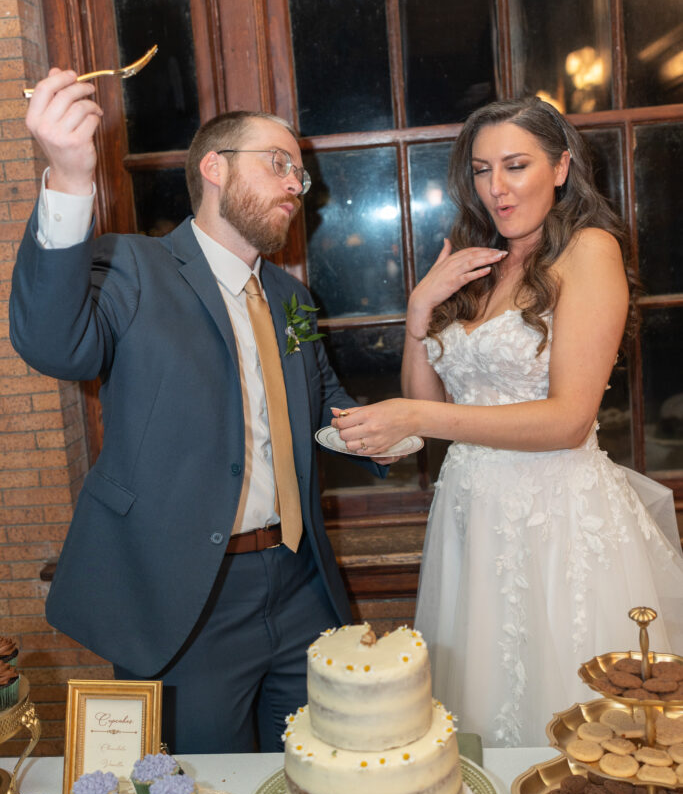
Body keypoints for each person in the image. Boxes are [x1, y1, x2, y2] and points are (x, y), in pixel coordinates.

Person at [10, 68, 390, 754]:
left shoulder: (290, 299)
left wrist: (381, 434)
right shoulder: (132, 267)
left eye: (299, 178)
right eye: (278, 164)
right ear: (213, 167)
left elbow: (322, 404)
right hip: (186, 597)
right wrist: (68, 180)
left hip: (302, 584)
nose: (292, 188)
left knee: (316, 779)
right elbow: (52, 342)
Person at [331, 96, 683, 747]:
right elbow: (425, 401)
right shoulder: (477, 261)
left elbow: (568, 420)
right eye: (482, 169)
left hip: (554, 519)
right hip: (471, 513)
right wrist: (418, 311)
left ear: (559, 167)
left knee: (571, 716)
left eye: (515, 165)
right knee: (478, 706)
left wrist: (414, 412)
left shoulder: (588, 250)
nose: (496, 187)